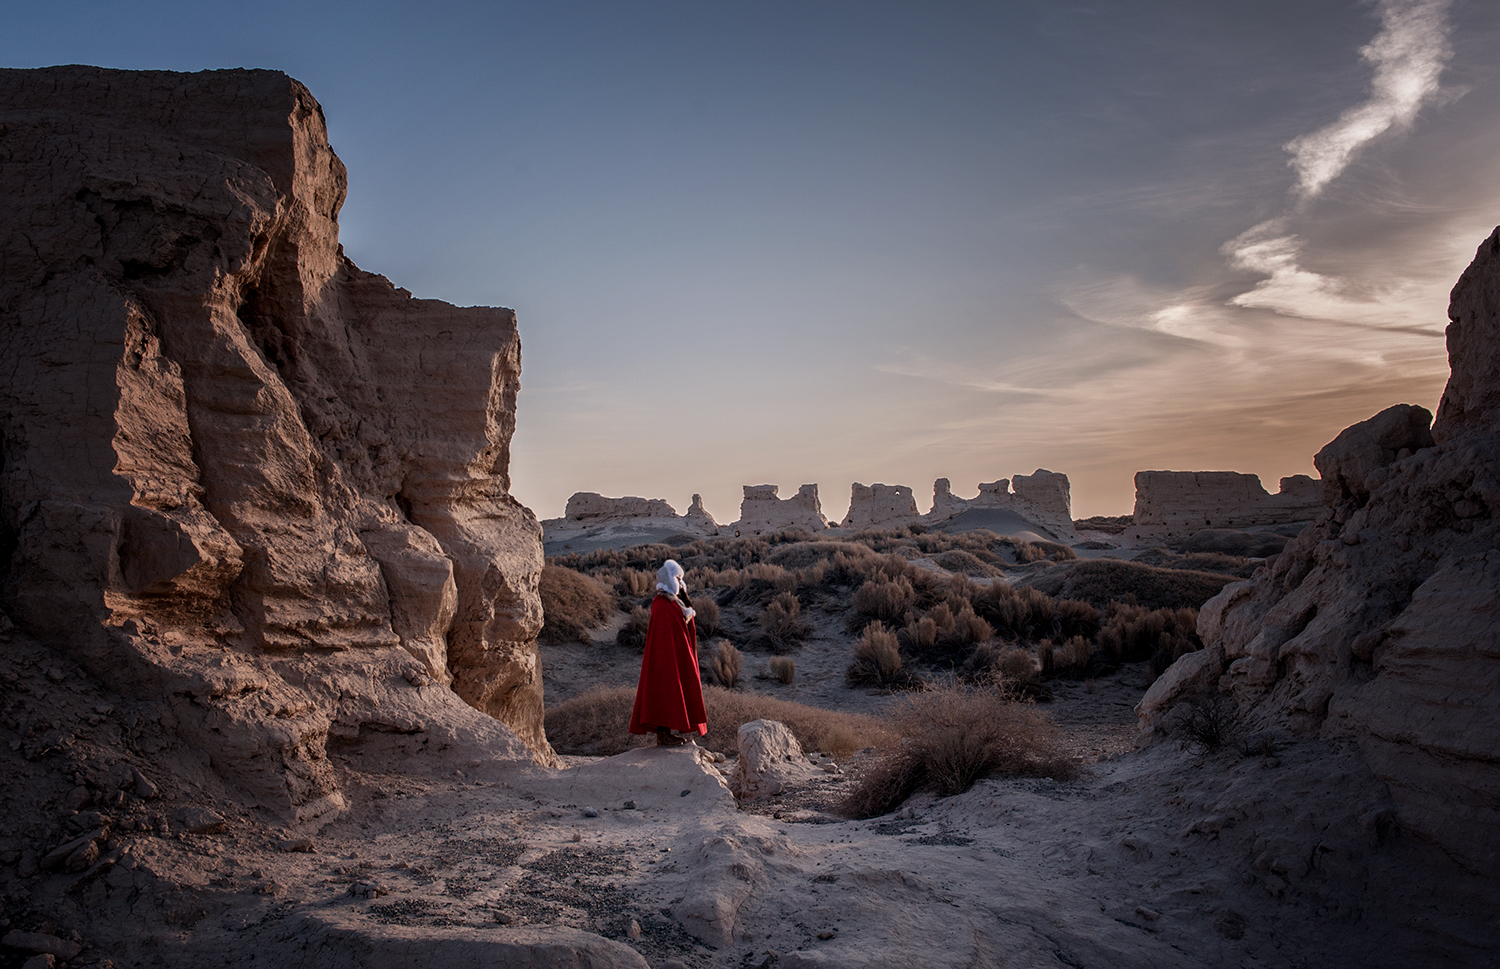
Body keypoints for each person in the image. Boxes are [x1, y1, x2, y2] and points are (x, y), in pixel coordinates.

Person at [628, 560, 708, 747]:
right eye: (678, 579)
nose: (681, 583)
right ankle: (663, 734)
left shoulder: (674, 604)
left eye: (681, 579)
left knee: (672, 692)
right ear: (670, 581)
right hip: (665, 661)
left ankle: (666, 733)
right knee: (664, 691)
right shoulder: (663, 605)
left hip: (675, 658)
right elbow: (664, 639)